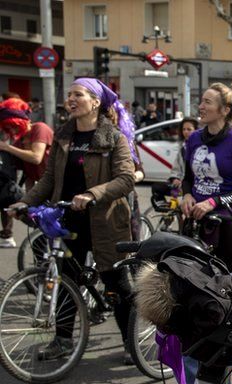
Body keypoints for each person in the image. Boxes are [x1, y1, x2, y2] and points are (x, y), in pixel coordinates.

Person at [7, 78, 137, 362]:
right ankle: (63, 340)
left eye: (78, 94)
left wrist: (92, 193)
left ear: (96, 102)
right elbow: (49, 179)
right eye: (69, 95)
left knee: (116, 284)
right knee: (67, 280)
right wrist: (25, 202)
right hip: (70, 220)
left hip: (105, 221)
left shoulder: (113, 137)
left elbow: (126, 179)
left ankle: (131, 343)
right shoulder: (64, 136)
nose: (71, 99)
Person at [180, 83, 232, 273]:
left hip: (230, 220)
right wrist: (187, 195)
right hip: (197, 219)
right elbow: (188, 177)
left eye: (207, 102)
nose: (201, 107)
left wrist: (214, 202)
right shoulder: (194, 139)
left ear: (224, 110)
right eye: (201, 101)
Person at [0, 97, 54, 247]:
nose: (12, 131)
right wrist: (30, 200)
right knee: (38, 233)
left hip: (58, 186)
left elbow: (36, 157)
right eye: (8, 128)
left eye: (14, 126)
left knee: (58, 231)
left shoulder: (40, 128)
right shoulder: (19, 142)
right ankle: (43, 265)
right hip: (41, 188)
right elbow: (29, 174)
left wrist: (7, 147)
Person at [152, 117, 198, 206]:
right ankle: (169, 213)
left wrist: (184, 182)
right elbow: (176, 168)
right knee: (157, 188)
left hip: (192, 186)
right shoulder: (183, 147)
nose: (186, 132)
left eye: (189, 129)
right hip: (181, 183)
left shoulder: (200, 147)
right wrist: (175, 178)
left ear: (196, 130)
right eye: (184, 129)